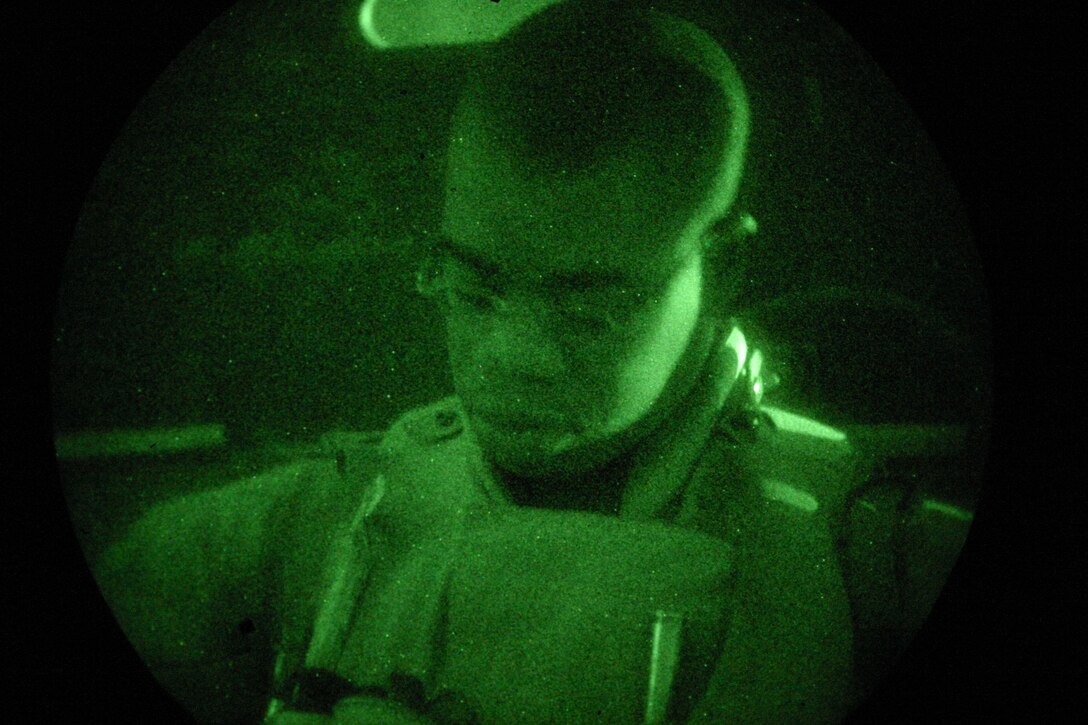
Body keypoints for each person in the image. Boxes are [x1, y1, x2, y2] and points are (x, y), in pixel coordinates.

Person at [92, 2, 974, 723]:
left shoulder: (858, 559)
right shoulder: (345, 508)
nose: (510, 360)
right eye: (471, 290)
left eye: (588, 310)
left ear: (722, 270)